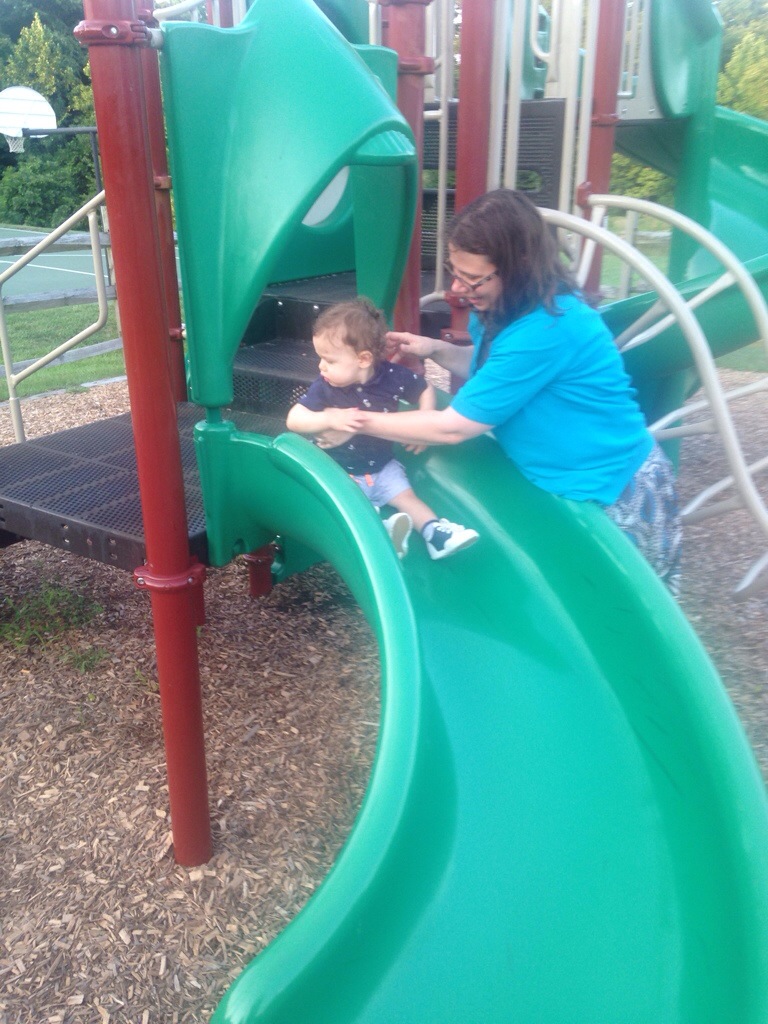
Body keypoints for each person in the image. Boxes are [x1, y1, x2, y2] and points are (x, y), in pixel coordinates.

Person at [326, 189, 681, 593]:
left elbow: (453, 428)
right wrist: (435, 349)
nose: (458, 287)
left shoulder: (549, 326)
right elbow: (496, 372)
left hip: (614, 489)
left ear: (518, 266)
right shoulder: (500, 310)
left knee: (623, 608)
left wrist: (351, 421)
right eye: (455, 271)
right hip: (567, 483)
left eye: (472, 278)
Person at [286, 298, 479, 560]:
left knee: (408, 498)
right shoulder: (325, 386)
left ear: (363, 359)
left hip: (383, 467)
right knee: (353, 509)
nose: (321, 366)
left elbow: (424, 388)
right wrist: (329, 419)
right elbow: (294, 419)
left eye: (329, 360)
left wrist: (424, 419)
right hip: (340, 472)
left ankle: (436, 534)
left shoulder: (393, 377)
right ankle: (383, 532)